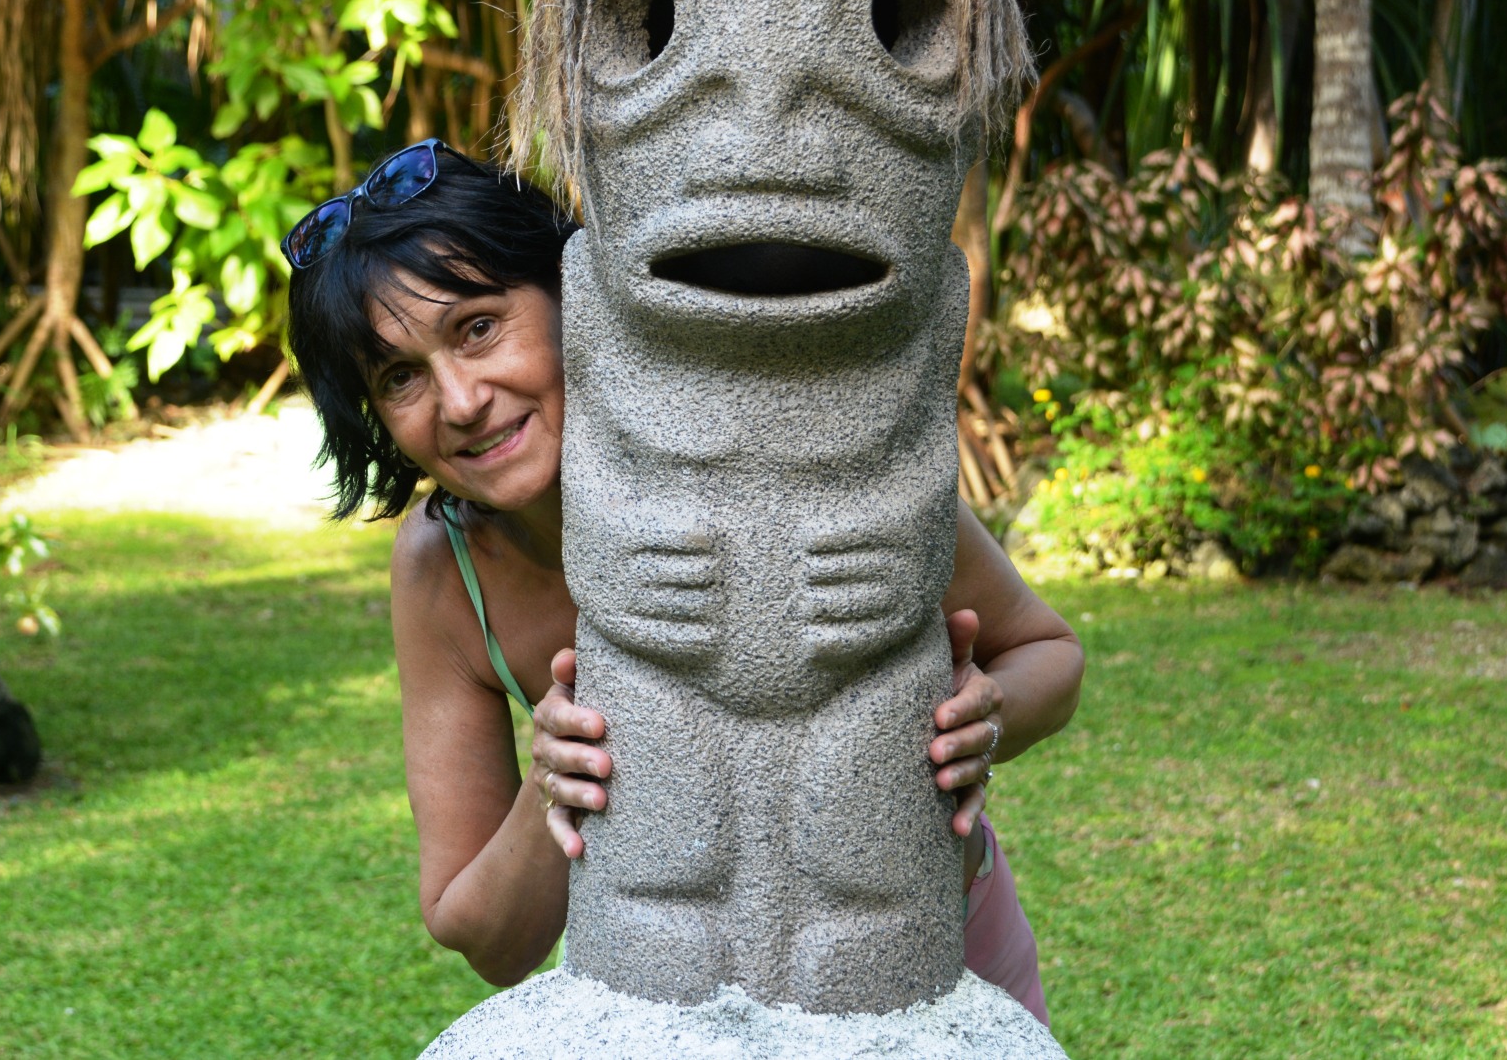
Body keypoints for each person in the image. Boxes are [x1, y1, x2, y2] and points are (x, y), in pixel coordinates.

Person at [283, 139, 1083, 1023]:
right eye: (401, 376)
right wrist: (555, 783)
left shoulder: (779, 451)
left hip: (922, 964)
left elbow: (1051, 654)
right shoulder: (446, 571)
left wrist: (984, 717)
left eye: (478, 327)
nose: (463, 400)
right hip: (673, 996)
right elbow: (486, 939)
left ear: (575, 292)